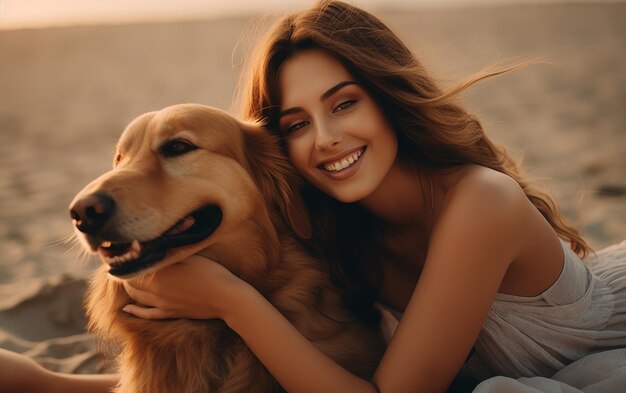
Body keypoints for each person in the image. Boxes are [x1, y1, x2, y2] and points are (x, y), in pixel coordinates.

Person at [2, 1, 625, 392]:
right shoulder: (332, 222)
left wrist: (231, 301)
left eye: (344, 103)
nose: (325, 140)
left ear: (387, 98)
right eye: (297, 123)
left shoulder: (480, 203)